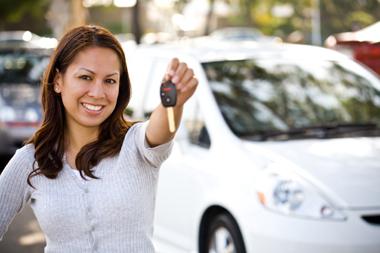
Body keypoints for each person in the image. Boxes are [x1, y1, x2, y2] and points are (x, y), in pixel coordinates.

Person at [0, 25, 198, 252]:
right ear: (58, 80)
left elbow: (160, 131)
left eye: (110, 81)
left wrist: (172, 103)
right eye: (85, 77)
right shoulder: (30, 160)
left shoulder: (135, 145)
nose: (98, 93)